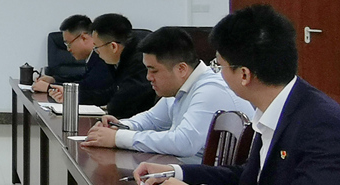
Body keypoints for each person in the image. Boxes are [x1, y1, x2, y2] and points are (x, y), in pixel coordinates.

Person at [134, 4, 340, 185]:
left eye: (219, 65)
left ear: (244, 74)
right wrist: (178, 173)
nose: (217, 73)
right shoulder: (277, 106)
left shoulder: (321, 122)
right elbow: (250, 177)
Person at [82, 26, 253, 157]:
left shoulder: (210, 89)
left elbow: (183, 142)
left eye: (154, 70)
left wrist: (118, 138)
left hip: (214, 179)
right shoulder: (181, 87)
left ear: (181, 69)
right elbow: (151, 119)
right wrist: (120, 126)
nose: (148, 77)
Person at [54, 13, 155, 119]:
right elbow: (110, 93)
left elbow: (122, 103)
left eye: (97, 47)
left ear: (113, 47)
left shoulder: (140, 61)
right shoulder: (120, 56)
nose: (96, 52)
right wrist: (71, 96)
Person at [34, 14, 114, 105]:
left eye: (69, 44)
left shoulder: (103, 57)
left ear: (83, 38)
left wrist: (50, 88)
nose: (68, 49)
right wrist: (54, 80)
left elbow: (89, 87)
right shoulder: (93, 57)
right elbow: (83, 79)